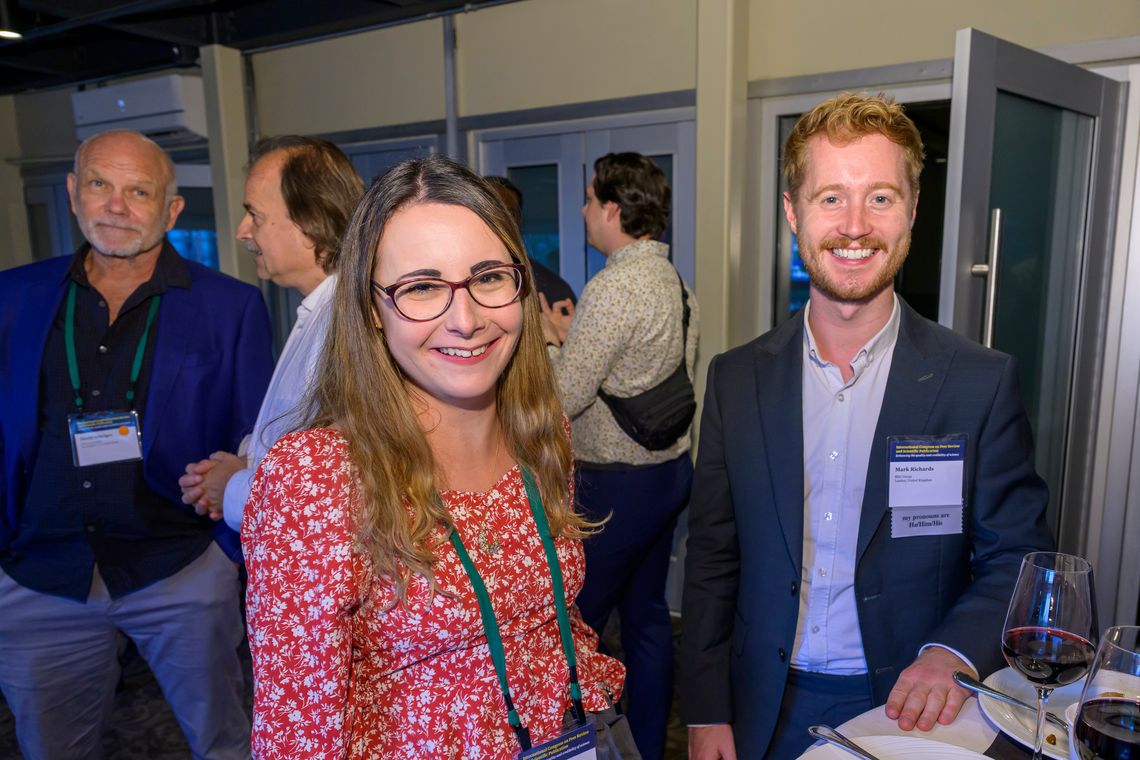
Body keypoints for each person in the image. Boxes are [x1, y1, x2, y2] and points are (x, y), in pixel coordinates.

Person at [679, 93, 1054, 759]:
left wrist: (951, 653)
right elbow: (713, 559)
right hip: (761, 704)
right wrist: (705, 710)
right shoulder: (737, 380)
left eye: (880, 197)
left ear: (912, 210)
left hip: (915, 709)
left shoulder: (979, 382)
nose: (855, 226)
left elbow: (1015, 558)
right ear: (793, 212)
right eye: (831, 198)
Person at [242, 156, 625, 758]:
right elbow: (298, 734)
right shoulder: (316, 477)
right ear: (371, 309)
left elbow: (549, 616)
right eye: (421, 287)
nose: (466, 320)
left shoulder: (540, 429)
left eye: (488, 277)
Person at [0, 129, 273, 759]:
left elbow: (259, 440)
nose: (116, 205)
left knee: (224, 745)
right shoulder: (13, 297)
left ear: (171, 210)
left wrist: (225, 558)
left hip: (179, 569)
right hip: (39, 577)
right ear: (74, 192)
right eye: (100, 184)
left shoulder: (229, 307)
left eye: (139, 191)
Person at [541, 151, 698, 760]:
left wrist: (549, 341)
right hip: (668, 476)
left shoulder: (613, 288)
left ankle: (577, 749)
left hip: (616, 488)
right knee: (649, 621)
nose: (583, 210)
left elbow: (565, 396)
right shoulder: (675, 284)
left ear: (612, 209)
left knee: (573, 628)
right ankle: (649, 750)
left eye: (588, 200)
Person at [178, 135, 364, 531]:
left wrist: (232, 487)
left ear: (310, 221)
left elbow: (335, 492)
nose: (242, 231)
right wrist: (247, 463)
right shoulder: (322, 309)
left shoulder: (353, 328)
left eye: (255, 216)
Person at [484, 175, 577, 308]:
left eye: (509, 214)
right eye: (488, 212)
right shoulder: (455, 275)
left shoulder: (552, 290)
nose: (499, 220)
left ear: (518, 221)